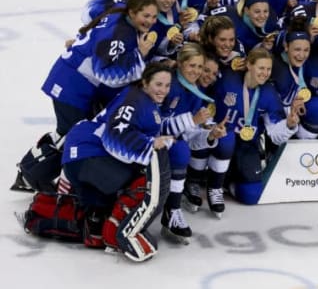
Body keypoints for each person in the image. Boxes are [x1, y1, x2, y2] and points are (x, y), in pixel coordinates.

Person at [60, 63, 227, 261]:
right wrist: (150, 144)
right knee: (140, 178)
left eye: (167, 86)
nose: (163, 90)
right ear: (145, 83)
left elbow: (157, 130)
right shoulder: (134, 101)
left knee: (142, 169)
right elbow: (115, 136)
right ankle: (85, 197)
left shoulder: (144, 100)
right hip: (84, 155)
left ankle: (89, 204)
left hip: (85, 155)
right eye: (158, 84)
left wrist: (196, 124)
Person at [12, 0, 159, 192]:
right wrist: (139, 56)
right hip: (72, 85)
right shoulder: (120, 33)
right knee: (69, 137)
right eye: (146, 16)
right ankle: (30, 176)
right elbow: (106, 73)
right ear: (132, 12)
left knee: (65, 134)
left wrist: (87, 42)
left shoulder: (119, 6)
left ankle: (28, 174)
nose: (150, 21)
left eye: (153, 16)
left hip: (70, 79)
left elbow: (90, 10)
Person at [201, 48, 299, 208]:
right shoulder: (227, 80)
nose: (265, 73)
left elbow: (274, 134)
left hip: (247, 144)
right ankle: (211, 183)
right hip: (219, 138)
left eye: (268, 69)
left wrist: (289, 124)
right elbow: (207, 102)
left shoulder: (269, 92)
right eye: (261, 68)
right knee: (226, 138)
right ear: (248, 65)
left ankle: (228, 181)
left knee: (251, 196)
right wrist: (208, 127)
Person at [157, 43, 219, 243]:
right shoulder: (168, 85)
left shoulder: (195, 91)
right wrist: (193, 121)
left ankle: (172, 209)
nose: (197, 71)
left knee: (183, 147)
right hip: (146, 141)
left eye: (200, 67)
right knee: (180, 149)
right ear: (181, 64)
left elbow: (190, 135)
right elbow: (155, 125)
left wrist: (210, 136)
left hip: (169, 144)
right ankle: (171, 208)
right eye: (192, 65)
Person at [209, 0, 280, 55]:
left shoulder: (272, 23)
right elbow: (204, 18)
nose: (262, 16)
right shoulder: (228, 15)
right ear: (246, 10)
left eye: (265, 11)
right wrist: (210, 6)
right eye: (257, 11)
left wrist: (264, 48)